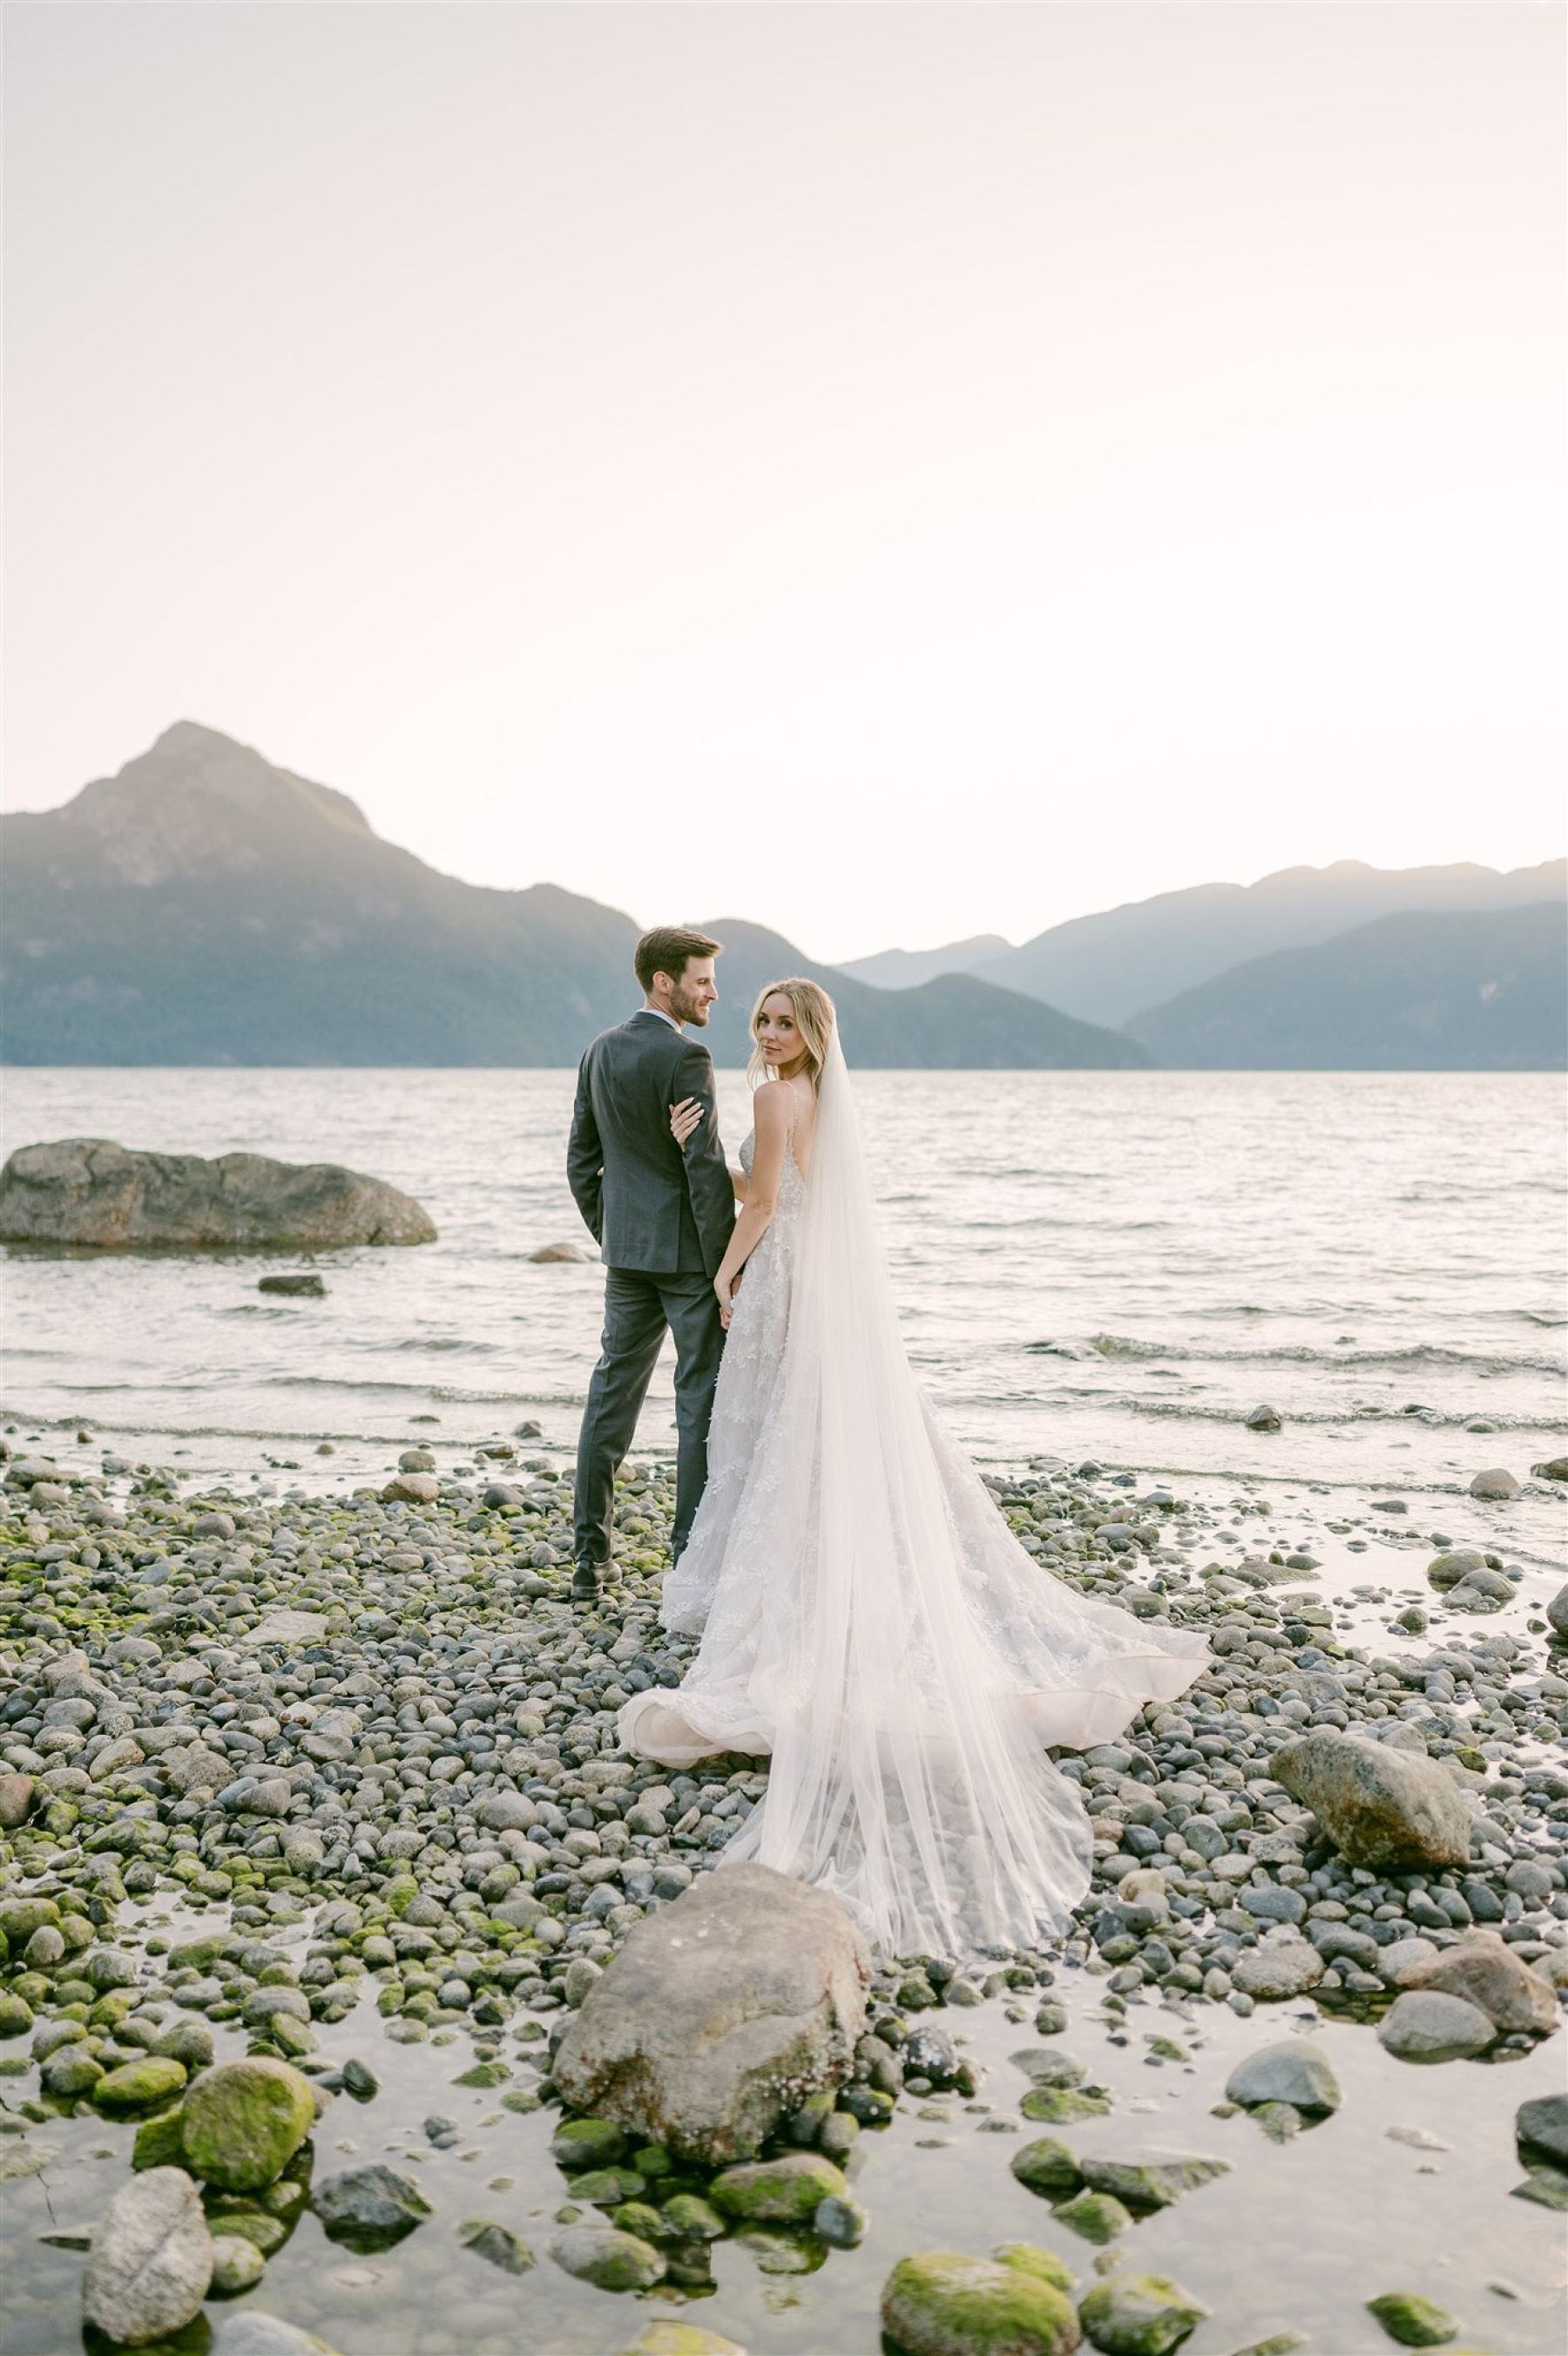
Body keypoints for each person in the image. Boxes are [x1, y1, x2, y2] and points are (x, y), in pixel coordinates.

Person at [618, 977, 1211, 1960]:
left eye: (783, 1022)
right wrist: (715, 1161)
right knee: (812, 1431)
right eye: (761, 1019)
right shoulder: (821, 1097)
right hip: (824, 1280)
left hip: (782, 1276)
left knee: (775, 1432)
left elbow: (762, 1200)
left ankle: (788, 1579)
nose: (767, 1032)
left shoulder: (772, 1094)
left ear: (810, 1034)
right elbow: (795, 1185)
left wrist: (724, 1266)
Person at [567, 926, 737, 1604]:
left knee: (610, 1398)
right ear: (664, 982)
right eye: (703, 980)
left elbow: (581, 1162)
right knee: (697, 1407)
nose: (713, 993)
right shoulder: (687, 1056)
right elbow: (703, 1169)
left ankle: (589, 1560)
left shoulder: (598, 1050)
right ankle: (687, 1565)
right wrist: (725, 1267)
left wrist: (614, 1235)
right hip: (689, 1261)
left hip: (627, 1259)